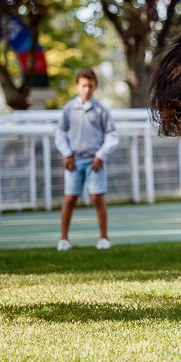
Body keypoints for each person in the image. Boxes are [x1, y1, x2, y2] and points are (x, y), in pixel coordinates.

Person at [55, 68, 119, 251]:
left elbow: (112, 135)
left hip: (95, 162)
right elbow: (60, 133)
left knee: (97, 198)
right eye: (83, 85)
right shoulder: (69, 109)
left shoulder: (101, 110)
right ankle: (64, 239)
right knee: (69, 199)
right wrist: (66, 153)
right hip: (74, 161)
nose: (87, 89)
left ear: (95, 87)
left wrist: (101, 155)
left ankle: (104, 238)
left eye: (90, 86)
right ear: (77, 86)